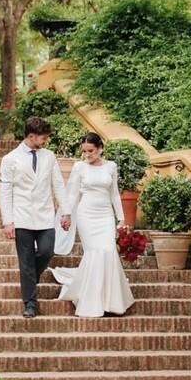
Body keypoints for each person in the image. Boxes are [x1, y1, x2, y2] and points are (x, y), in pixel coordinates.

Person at [49, 132, 134, 317]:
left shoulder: (111, 166)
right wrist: (67, 214)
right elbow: (72, 194)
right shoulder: (79, 167)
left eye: (91, 151)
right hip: (86, 215)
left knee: (108, 251)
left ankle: (111, 301)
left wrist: (121, 219)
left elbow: (114, 194)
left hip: (105, 216)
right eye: (85, 151)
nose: (87, 154)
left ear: (100, 148)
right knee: (95, 252)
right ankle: (92, 301)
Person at [0, 116, 68, 318]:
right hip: (21, 218)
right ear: (31, 136)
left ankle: (29, 279)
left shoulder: (49, 156)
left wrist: (66, 211)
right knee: (26, 261)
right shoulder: (10, 159)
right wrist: (8, 221)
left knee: (47, 251)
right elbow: (5, 191)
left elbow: (58, 184)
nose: (45, 140)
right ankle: (30, 302)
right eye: (42, 137)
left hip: (45, 216)